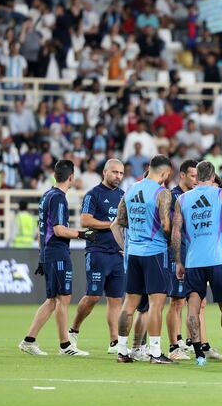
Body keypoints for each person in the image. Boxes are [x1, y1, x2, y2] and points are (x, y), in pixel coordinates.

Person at [19, 160, 96, 356]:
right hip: (58, 252)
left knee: (52, 299)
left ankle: (29, 341)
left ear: (55, 176)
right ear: (71, 177)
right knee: (63, 297)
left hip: (48, 252)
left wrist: (41, 256)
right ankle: (65, 346)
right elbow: (59, 230)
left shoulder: (46, 196)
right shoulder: (59, 198)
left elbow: (41, 230)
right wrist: (82, 234)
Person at [172, 161, 222, 367]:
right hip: (217, 260)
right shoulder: (221, 193)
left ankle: (199, 355)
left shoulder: (183, 199)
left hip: (193, 261)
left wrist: (179, 260)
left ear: (197, 176)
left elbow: (176, 232)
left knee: (192, 309)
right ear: (213, 176)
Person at [111, 155, 173, 364]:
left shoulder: (131, 190)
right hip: (154, 252)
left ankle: (122, 350)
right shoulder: (162, 193)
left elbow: (119, 221)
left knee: (129, 303)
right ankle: (155, 353)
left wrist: (126, 248)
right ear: (165, 173)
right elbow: (166, 225)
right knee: (156, 304)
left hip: (134, 253)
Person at [67, 159, 126, 354]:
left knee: (116, 299)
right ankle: (73, 331)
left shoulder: (123, 196)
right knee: (93, 296)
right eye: (114, 172)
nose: (118, 176)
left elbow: (124, 224)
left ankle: (114, 341)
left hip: (117, 253)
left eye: (121, 173)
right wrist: (111, 224)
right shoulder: (94, 194)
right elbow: (85, 220)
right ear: (105, 172)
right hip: (98, 252)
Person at [164, 159, 202, 361]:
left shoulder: (195, 196)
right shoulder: (172, 196)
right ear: (182, 175)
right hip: (178, 253)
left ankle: (191, 342)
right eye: (193, 175)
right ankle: (174, 346)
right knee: (177, 301)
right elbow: (170, 227)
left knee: (196, 301)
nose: (196, 179)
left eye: (198, 176)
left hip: (195, 254)